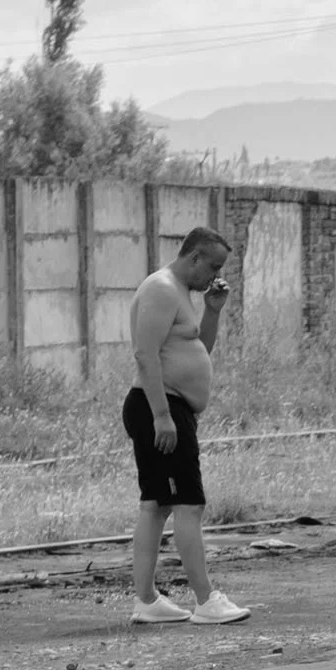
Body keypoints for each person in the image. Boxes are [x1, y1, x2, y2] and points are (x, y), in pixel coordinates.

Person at [125, 227, 248, 625]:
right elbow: (145, 355)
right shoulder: (162, 288)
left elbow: (198, 349)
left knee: (157, 505)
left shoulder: (181, 293)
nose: (214, 276)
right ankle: (206, 600)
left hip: (166, 407)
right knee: (188, 504)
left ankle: (146, 601)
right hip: (159, 407)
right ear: (193, 257)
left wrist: (212, 310)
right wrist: (162, 416)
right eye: (212, 266)